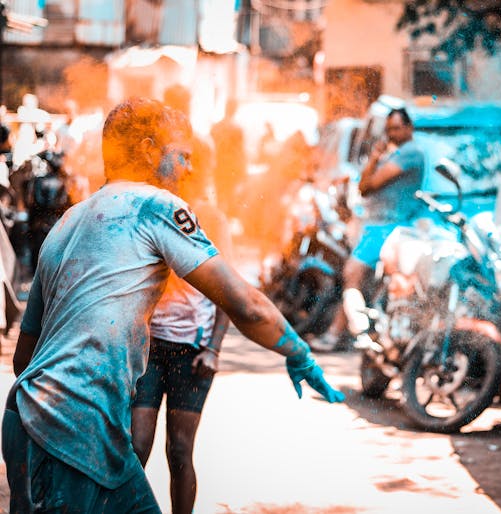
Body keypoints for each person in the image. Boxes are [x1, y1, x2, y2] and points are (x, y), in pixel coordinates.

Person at [3, 97, 344, 513]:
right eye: (181, 155)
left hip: (35, 418)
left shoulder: (67, 222)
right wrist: (299, 353)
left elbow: (25, 357)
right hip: (72, 429)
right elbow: (247, 305)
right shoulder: (157, 205)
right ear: (149, 150)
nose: (190, 168)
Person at [129, 88, 229, 514]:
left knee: (180, 451)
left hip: (192, 353)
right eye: (179, 156)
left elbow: (228, 291)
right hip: (149, 348)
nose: (184, 166)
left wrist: (212, 348)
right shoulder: (147, 208)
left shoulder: (210, 215)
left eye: (190, 159)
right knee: (136, 447)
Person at [311, 108, 425, 352]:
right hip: (376, 225)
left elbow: (368, 185)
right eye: (389, 129)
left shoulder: (410, 153)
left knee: (352, 274)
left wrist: (374, 159)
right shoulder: (395, 153)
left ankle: (358, 331)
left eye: (396, 128)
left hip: (387, 228)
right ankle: (342, 332)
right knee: (354, 280)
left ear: (409, 127)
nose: (392, 133)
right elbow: (365, 184)